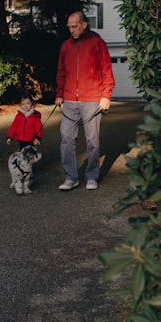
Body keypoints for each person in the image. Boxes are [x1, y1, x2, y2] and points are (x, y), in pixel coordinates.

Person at [55, 11, 115, 191]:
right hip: (70, 99)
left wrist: (106, 95)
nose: (71, 30)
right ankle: (71, 177)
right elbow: (61, 72)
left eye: (74, 26)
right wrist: (59, 94)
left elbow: (106, 69)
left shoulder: (97, 43)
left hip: (92, 99)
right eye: (69, 27)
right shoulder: (66, 46)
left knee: (92, 140)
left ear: (83, 25)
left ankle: (91, 176)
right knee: (66, 137)